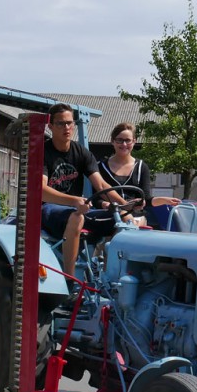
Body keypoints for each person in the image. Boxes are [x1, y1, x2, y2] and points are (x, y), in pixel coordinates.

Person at [41, 103, 133, 278]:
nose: (66, 127)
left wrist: (125, 206)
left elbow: (101, 185)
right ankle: (71, 281)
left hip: (76, 209)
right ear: (50, 126)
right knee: (77, 217)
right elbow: (42, 191)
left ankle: (110, 278)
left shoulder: (81, 152)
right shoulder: (43, 152)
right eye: (60, 123)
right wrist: (74, 200)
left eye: (69, 123)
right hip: (47, 210)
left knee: (123, 220)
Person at [97, 122, 180, 228]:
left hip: (135, 215)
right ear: (113, 141)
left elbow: (146, 199)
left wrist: (164, 200)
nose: (124, 144)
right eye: (119, 140)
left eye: (128, 140)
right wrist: (105, 204)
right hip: (108, 214)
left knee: (135, 222)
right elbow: (95, 198)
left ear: (134, 141)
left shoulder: (141, 167)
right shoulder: (101, 167)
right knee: (124, 221)